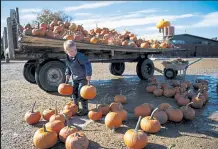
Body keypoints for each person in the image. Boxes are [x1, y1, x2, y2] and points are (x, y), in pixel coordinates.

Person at [63, 40, 92, 116]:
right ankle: (75, 108)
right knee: (74, 93)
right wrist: (67, 76)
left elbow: (87, 64)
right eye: (71, 51)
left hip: (83, 78)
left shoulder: (80, 56)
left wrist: (88, 74)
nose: (74, 52)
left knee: (82, 93)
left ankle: (85, 109)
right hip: (74, 78)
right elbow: (68, 67)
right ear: (66, 52)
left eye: (75, 50)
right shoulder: (68, 58)